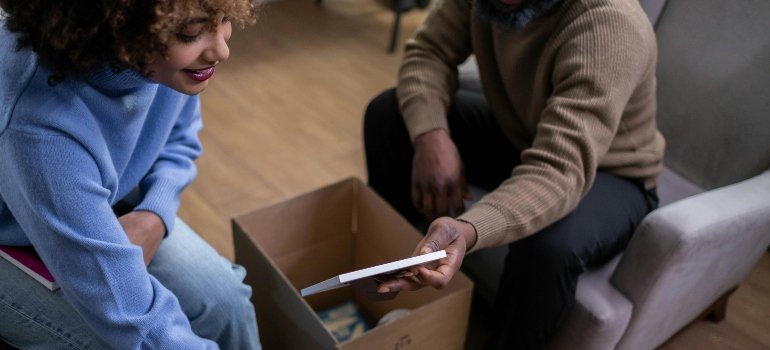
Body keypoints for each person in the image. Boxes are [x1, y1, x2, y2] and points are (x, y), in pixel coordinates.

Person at [363, 0, 664, 348]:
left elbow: (558, 169)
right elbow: (428, 51)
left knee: (548, 247)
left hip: (610, 170)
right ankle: (388, 279)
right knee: (388, 117)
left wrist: (470, 228)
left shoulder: (610, 26)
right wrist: (432, 136)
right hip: (523, 133)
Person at [0, 1, 261, 349]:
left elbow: (178, 136)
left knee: (225, 302)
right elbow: (136, 323)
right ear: (119, 28)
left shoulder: (164, 61)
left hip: (84, 200)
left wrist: (155, 211)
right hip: (10, 233)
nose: (221, 49)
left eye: (224, 20)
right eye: (191, 34)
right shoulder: (38, 127)